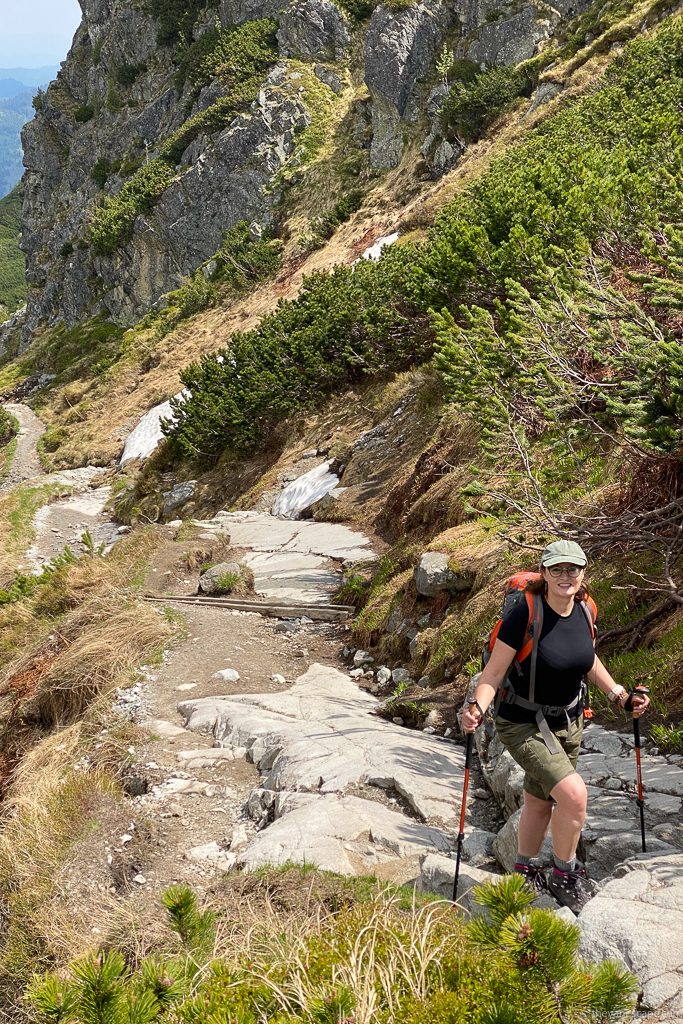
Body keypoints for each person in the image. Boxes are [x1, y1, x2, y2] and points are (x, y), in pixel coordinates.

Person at [461, 539, 650, 913]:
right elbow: (494, 671)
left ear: (582, 572)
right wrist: (476, 708)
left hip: (569, 721)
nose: (566, 576)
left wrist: (620, 696)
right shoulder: (525, 615)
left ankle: (525, 870)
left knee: (539, 799)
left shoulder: (585, 608)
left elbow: (587, 659)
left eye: (573, 569)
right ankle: (564, 875)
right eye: (557, 569)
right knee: (575, 795)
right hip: (523, 722)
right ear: (544, 573)